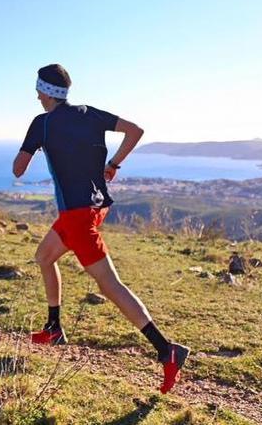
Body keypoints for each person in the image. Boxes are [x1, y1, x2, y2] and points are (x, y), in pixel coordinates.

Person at [12, 64, 189, 394]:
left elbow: (18, 170)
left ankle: (168, 350)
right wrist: (113, 164)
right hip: (95, 208)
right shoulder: (89, 113)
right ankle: (53, 328)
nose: (35, 95)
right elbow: (135, 130)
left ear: (46, 92)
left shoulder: (43, 124)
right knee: (44, 256)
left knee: (110, 285)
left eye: (38, 90)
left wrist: (36, 146)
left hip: (78, 216)